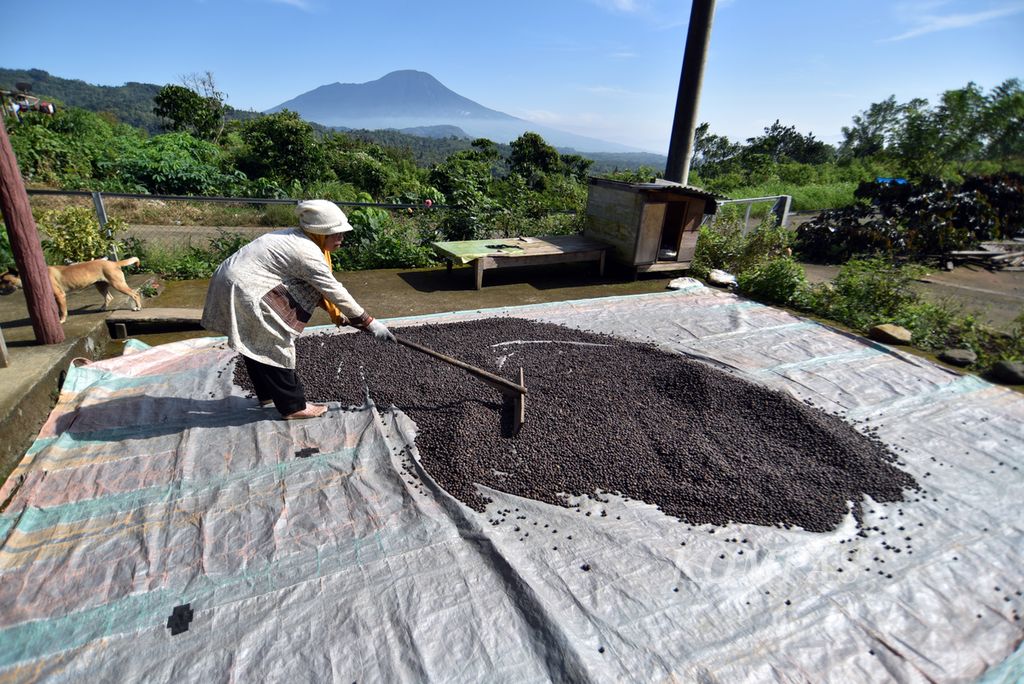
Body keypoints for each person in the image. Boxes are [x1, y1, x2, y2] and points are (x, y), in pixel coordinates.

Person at [201, 199, 395, 420]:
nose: (341, 238)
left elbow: (318, 288)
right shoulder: (307, 252)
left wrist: (341, 315)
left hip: (235, 282)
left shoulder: (298, 237)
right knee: (275, 342)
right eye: (336, 234)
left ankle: (268, 394)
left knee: (254, 339)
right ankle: (293, 406)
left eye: (342, 233)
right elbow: (333, 290)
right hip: (244, 289)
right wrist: (369, 322)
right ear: (321, 233)